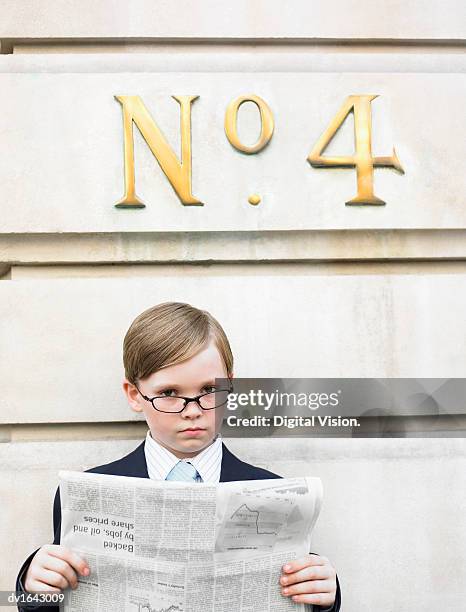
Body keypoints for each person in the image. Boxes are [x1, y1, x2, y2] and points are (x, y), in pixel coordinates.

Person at [15, 302, 341, 611]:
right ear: (134, 395)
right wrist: (30, 585)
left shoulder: (274, 493)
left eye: (209, 390)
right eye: (169, 393)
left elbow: (296, 592)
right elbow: (63, 599)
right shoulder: (89, 492)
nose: (193, 411)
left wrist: (325, 597)